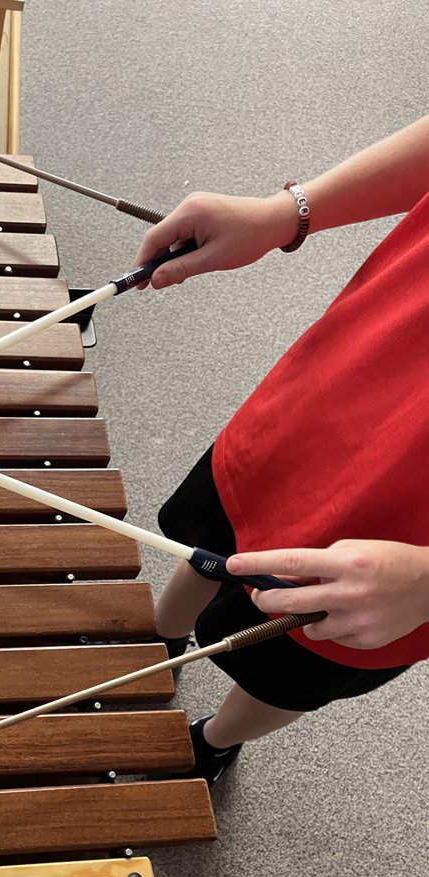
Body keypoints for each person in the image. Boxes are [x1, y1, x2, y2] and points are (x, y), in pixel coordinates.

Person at [131, 115, 429, 785]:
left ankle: (213, 741)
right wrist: (285, 213)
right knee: (219, 537)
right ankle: (156, 642)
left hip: (411, 533)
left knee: (295, 662)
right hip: (339, 387)